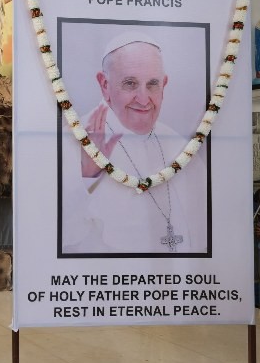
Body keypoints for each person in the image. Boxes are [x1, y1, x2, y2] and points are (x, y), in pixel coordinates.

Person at [61, 33, 207, 254]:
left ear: (164, 85)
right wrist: (86, 177)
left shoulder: (181, 148)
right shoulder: (70, 143)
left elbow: (203, 234)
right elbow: (59, 236)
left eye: (153, 84)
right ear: (104, 85)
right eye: (130, 83)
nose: (143, 98)